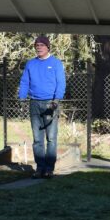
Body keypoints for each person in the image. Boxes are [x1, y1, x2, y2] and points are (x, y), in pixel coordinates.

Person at [17, 35, 66, 179]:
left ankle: (49, 169)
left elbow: (61, 83)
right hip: (34, 104)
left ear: (48, 47)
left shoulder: (56, 63)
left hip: (50, 103)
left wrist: (56, 100)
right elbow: (25, 82)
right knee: (37, 139)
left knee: (51, 138)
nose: (39, 47)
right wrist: (22, 98)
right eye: (36, 45)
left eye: (41, 45)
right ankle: (40, 168)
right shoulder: (31, 64)